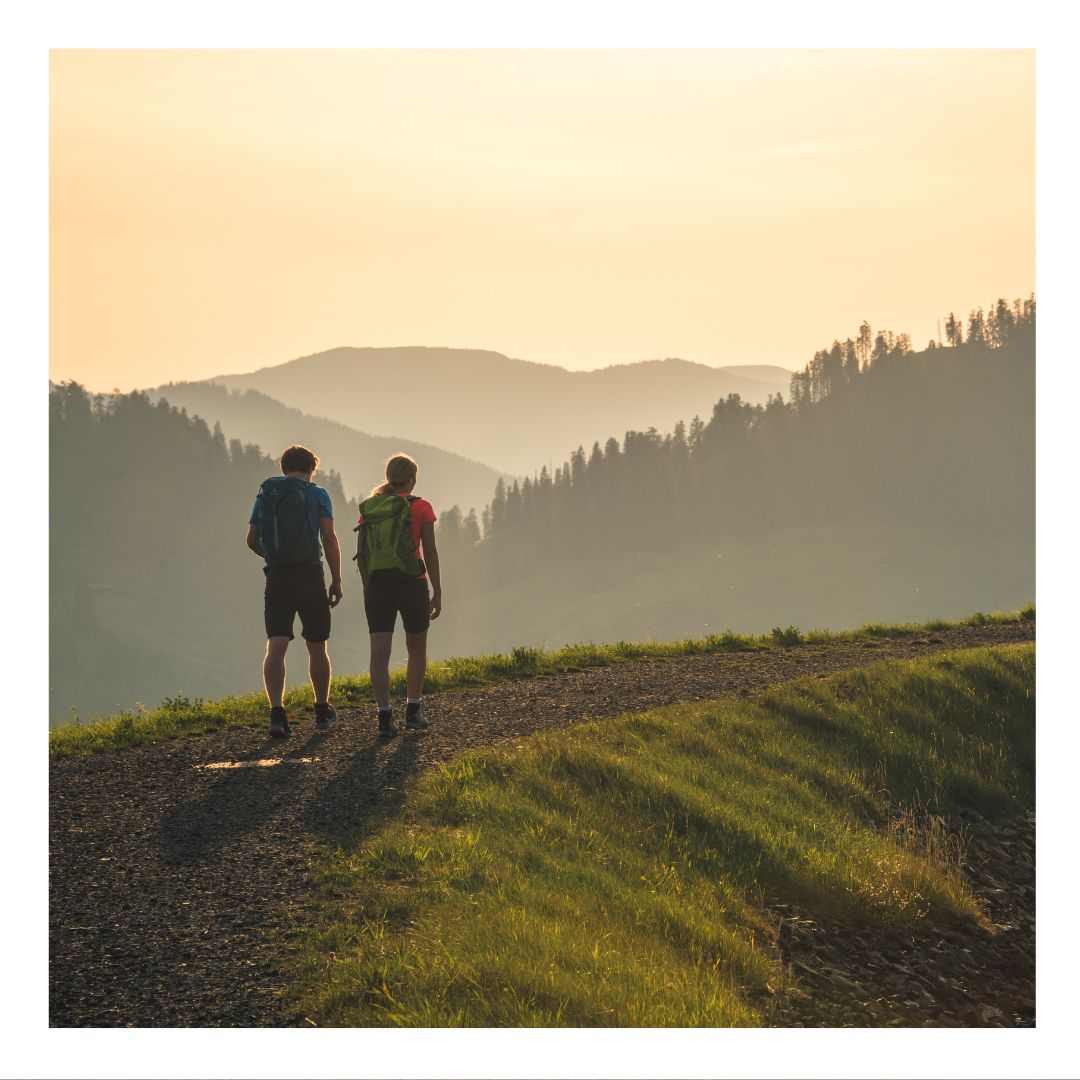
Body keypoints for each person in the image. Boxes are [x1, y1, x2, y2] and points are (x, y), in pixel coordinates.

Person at [246, 444, 343, 737]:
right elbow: (329, 537)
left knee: (276, 644)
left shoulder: (267, 494)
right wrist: (336, 579)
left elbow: (252, 540)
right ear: (311, 469)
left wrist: (274, 557)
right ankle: (322, 710)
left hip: (277, 577)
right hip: (310, 573)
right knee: (317, 644)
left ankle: (277, 714)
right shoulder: (317, 494)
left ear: (284, 467)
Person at [355, 453, 441, 736]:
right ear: (413, 479)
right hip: (412, 584)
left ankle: (383, 716)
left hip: (378, 586)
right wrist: (437, 591)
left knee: (379, 653)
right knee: (416, 648)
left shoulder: (370, 508)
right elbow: (429, 552)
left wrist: (369, 587)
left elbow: (363, 555)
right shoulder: (422, 508)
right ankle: (413, 710)